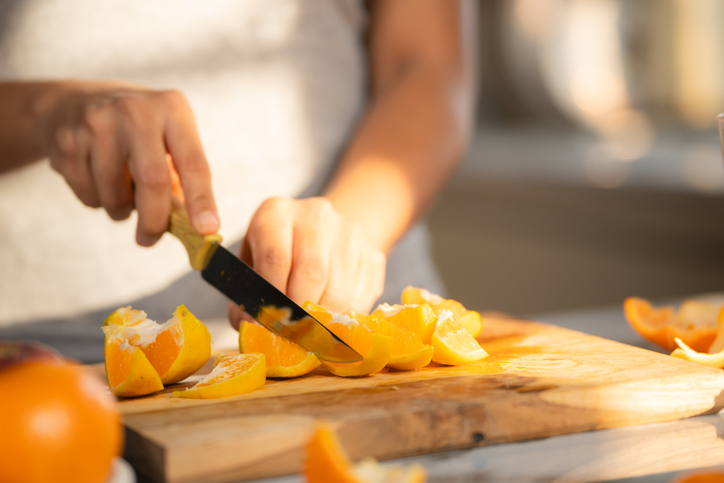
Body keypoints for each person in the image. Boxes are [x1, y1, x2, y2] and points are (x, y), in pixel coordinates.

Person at [0, 0, 475, 362]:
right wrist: (47, 112)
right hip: (44, 373)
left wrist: (352, 225)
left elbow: (428, 66)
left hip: (361, 341)